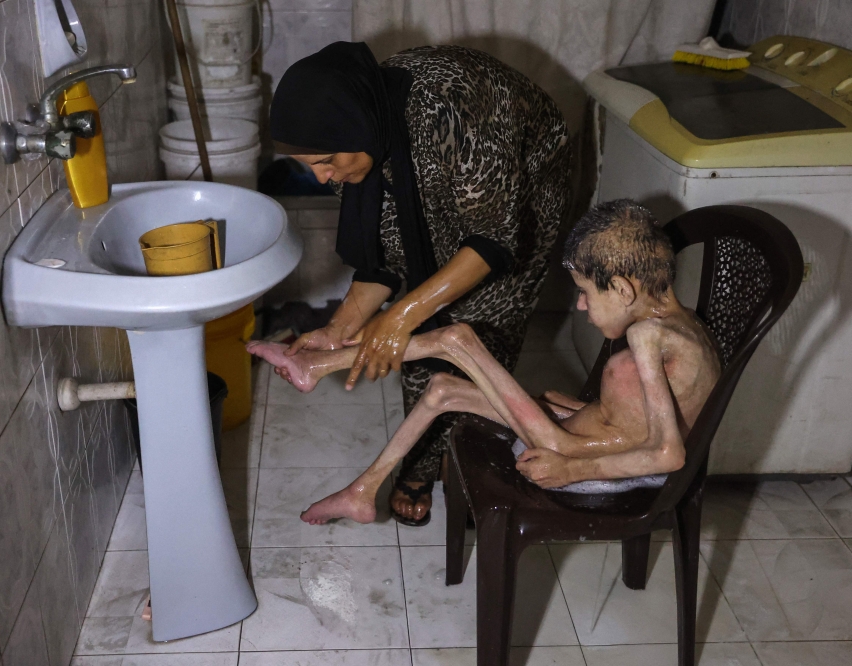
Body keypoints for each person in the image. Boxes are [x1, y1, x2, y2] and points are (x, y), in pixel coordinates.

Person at [248, 200, 722, 524]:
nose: (580, 307)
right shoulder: (682, 325)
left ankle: (316, 367)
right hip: (582, 434)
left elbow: (668, 454)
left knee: (458, 339)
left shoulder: (647, 334)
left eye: (583, 294)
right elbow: (642, 416)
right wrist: (586, 410)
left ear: (622, 289)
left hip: (580, 458)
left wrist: (572, 469)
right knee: (441, 389)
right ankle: (360, 492)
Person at [268, 42, 571, 526]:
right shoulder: (372, 123)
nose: (325, 179)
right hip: (435, 168)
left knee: (484, 318)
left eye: (325, 161)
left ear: (352, 130)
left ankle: (467, 459)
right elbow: (387, 258)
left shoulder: (456, 107)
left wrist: (402, 315)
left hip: (524, 181)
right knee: (419, 322)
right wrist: (339, 327)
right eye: (313, 167)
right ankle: (421, 465)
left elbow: (492, 240)